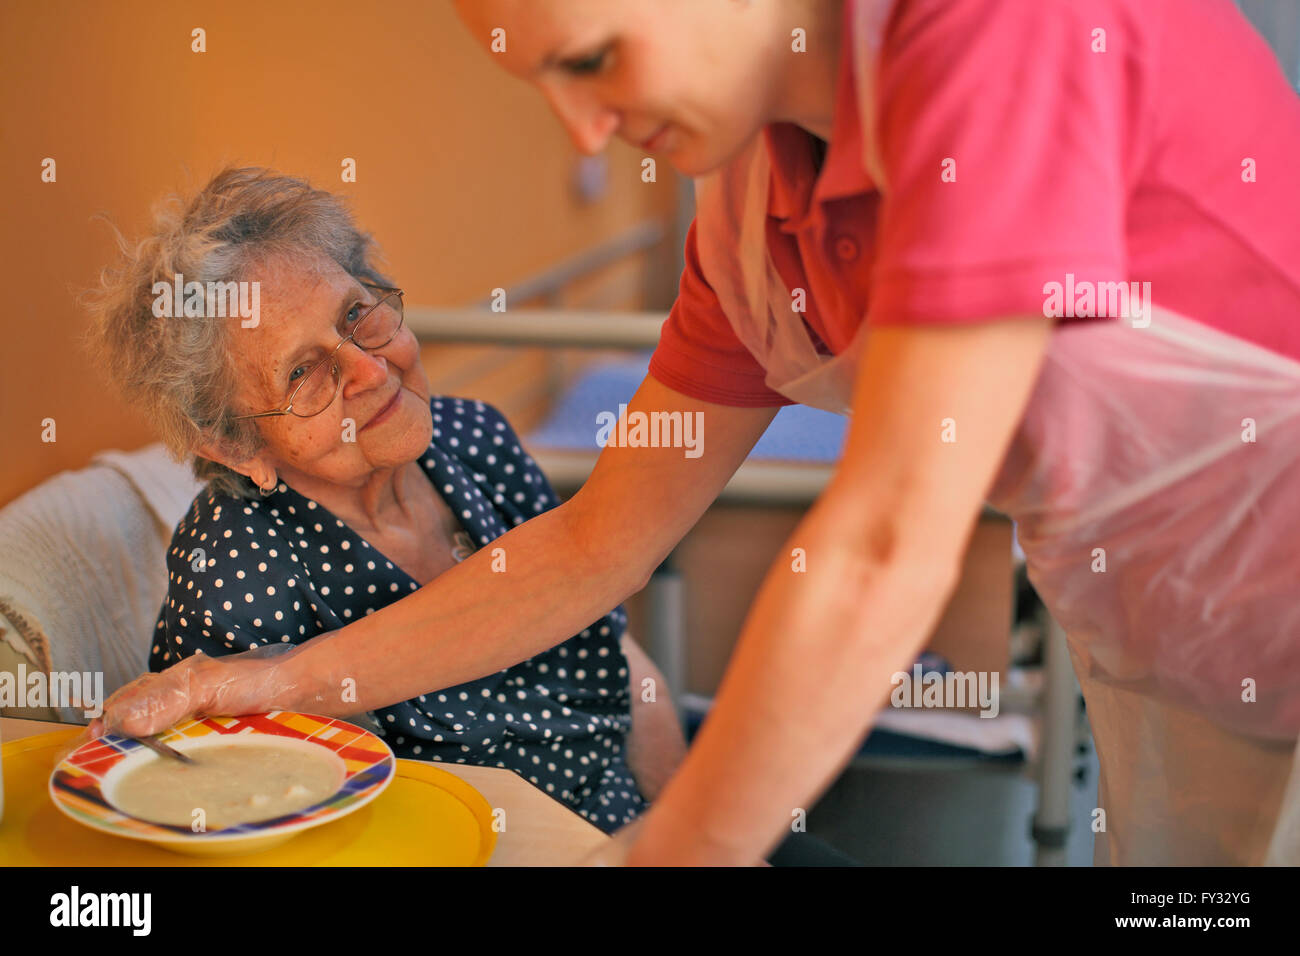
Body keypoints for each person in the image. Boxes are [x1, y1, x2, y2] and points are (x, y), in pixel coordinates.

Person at [95, 0, 1300, 865]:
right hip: (1160, 655)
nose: (579, 133)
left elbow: (882, 540)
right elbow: (593, 547)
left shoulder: (1003, 34)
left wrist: (681, 844)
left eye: (594, 58)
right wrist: (256, 679)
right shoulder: (746, 221)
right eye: (545, 86)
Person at [84, 167, 687, 833]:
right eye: (303, 371)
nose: (373, 371)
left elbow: (612, 650)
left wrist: (684, 825)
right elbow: (255, 821)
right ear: (233, 445)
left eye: (355, 315)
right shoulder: (237, 574)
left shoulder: (471, 436)